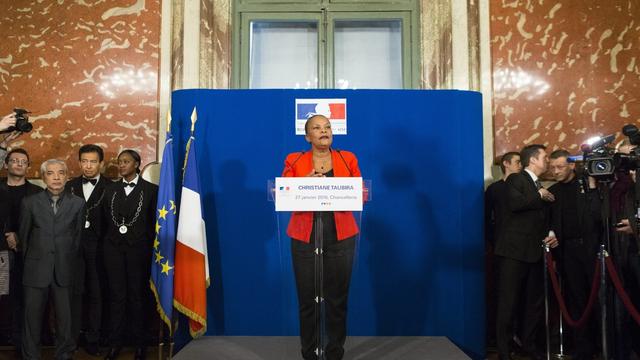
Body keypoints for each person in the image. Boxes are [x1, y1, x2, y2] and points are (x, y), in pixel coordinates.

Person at [282, 114, 362, 360]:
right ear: (308, 136)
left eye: (327, 127)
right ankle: (309, 354)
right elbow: (284, 192)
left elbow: (361, 190)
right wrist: (302, 184)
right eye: (316, 128)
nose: (323, 131)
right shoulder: (294, 160)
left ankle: (334, 353)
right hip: (305, 236)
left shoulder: (347, 158)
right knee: (308, 300)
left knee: (337, 301)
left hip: (341, 235)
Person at [495, 144, 558, 360]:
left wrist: (550, 231)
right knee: (508, 302)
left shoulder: (539, 185)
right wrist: (539, 195)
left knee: (534, 303)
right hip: (514, 252)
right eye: (545, 157)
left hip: (535, 251)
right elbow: (515, 204)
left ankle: (529, 345)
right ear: (533, 160)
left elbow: (542, 218)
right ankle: (504, 351)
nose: (547, 161)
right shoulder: (517, 179)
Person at [19, 159, 85, 360]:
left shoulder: (78, 204)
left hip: (64, 269)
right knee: (32, 319)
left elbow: (78, 237)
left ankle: (64, 354)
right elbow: (24, 237)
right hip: (35, 270)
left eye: (61, 173)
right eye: (51, 173)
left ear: (67, 176)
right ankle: (31, 356)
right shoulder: (29, 203)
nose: (56, 177)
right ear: (42, 176)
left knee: (65, 319)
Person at [101, 150, 157, 360]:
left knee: (137, 296)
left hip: (139, 251)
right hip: (112, 251)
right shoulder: (110, 189)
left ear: (137, 164)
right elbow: (104, 220)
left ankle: (140, 343)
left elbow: (154, 225)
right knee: (116, 297)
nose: (121, 165)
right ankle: (115, 343)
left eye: (126, 162)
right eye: (119, 162)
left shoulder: (151, 190)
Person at [547, 149, 601, 360]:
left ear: (571, 165)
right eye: (552, 167)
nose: (555, 171)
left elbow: (597, 215)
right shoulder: (553, 192)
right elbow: (549, 223)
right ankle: (582, 347)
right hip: (567, 252)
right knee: (575, 299)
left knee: (596, 296)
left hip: (592, 249)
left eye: (560, 167)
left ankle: (601, 343)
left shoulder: (588, 185)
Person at [67, 144, 111, 356]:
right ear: (79, 162)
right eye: (84, 161)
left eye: (93, 161)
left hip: (100, 251)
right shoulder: (69, 186)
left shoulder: (112, 187)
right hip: (73, 251)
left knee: (96, 294)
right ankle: (73, 337)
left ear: (101, 163)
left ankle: (94, 338)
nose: (88, 166)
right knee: (74, 295)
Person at [0, 149, 42, 351]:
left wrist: (19, 237)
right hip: (1, 251)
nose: (18, 164)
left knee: (25, 295)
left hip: (28, 253)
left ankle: (21, 339)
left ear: (28, 166)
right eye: (14, 160)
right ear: (6, 164)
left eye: (23, 161)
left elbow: (41, 224)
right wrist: (6, 235)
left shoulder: (37, 192)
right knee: (3, 293)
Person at [485, 151, 521, 348]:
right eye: (517, 162)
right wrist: (493, 240)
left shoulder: (525, 187)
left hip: (521, 249)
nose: (520, 166)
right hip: (501, 249)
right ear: (506, 164)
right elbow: (487, 218)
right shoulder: (495, 189)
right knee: (503, 296)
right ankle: (502, 342)